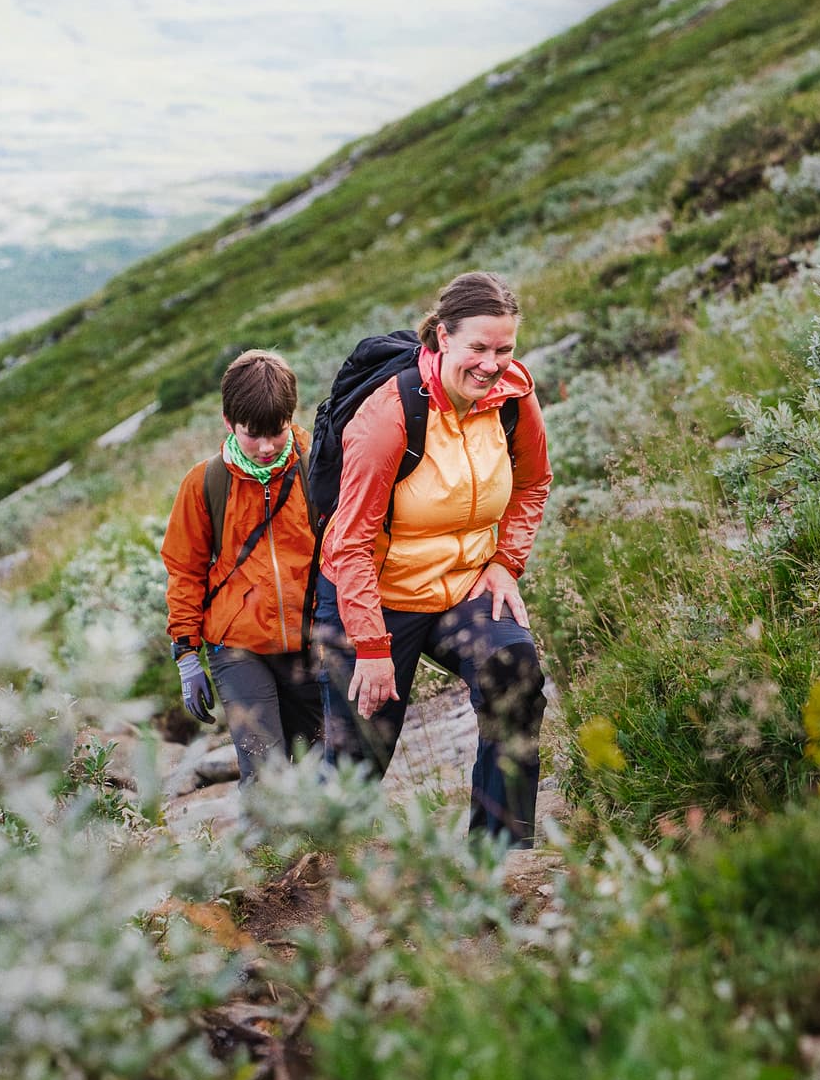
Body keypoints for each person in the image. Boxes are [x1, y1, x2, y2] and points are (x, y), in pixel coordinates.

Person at [311, 270, 552, 843]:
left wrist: (505, 563)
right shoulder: (391, 414)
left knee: (513, 672)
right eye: (478, 348)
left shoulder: (514, 396)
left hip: (461, 586)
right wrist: (372, 647)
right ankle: (311, 870)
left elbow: (533, 483)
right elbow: (350, 541)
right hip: (373, 594)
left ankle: (502, 853)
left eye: (504, 349)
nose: (492, 365)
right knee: (357, 759)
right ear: (443, 337)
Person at [160, 349, 324, 790]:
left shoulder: (319, 467)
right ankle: (268, 839)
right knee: (265, 774)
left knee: (324, 766)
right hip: (237, 648)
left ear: (292, 417)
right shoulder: (205, 484)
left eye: (277, 431)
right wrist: (187, 656)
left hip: (312, 640)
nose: (267, 447)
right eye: (253, 434)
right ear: (228, 422)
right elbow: (185, 572)